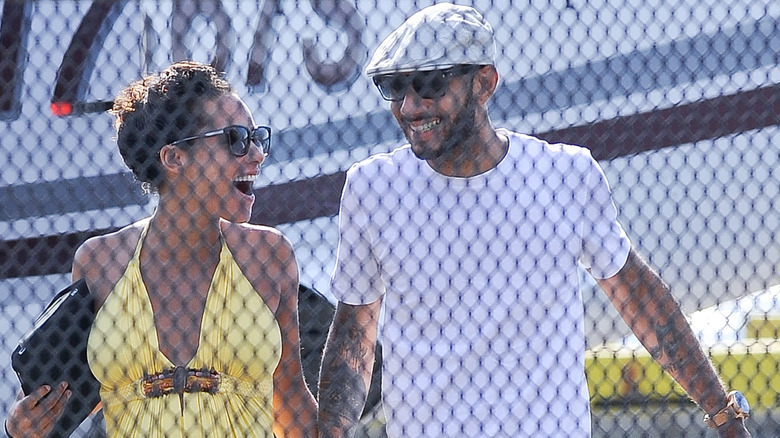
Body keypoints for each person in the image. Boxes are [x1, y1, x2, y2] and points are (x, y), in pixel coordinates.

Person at [317, 3, 752, 438]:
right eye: (393, 87)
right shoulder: (371, 189)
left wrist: (722, 413)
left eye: (430, 82)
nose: (410, 106)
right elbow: (355, 334)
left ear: (484, 83)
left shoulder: (566, 176)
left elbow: (638, 299)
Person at [5, 61, 317, 438]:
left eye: (257, 138)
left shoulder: (269, 256)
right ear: (174, 158)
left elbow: (290, 398)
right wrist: (23, 427)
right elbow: (76, 398)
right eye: (235, 138)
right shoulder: (100, 263)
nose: (256, 154)